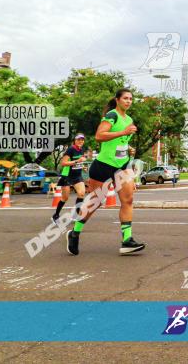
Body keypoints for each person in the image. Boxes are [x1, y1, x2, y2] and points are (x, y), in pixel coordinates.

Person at [66, 89, 144, 255]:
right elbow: (99, 136)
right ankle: (75, 233)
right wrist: (123, 132)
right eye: (125, 98)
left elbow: (119, 143)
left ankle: (127, 240)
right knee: (96, 201)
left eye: (131, 99)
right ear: (117, 100)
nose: (128, 101)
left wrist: (127, 147)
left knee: (128, 199)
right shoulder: (112, 115)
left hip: (122, 165)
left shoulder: (129, 119)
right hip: (103, 165)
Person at [51, 134, 88, 225]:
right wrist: (77, 161)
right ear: (74, 140)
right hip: (67, 175)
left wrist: (82, 167)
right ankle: (55, 215)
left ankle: (76, 215)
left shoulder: (82, 149)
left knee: (81, 193)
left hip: (77, 175)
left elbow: (78, 162)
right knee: (65, 197)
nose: (81, 141)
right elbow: (63, 163)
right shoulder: (71, 149)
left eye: (82, 140)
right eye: (79, 140)